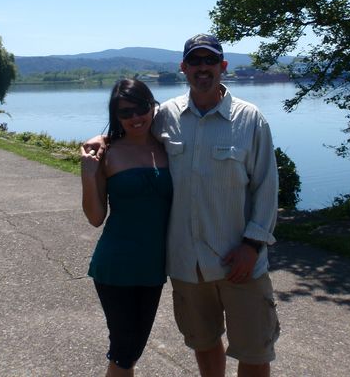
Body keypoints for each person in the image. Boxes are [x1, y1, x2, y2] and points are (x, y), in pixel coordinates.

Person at [85, 34, 280, 377]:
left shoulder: (250, 120)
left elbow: (267, 188)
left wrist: (252, 245)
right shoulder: (167, 116)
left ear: (222, 67)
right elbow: (131, 126)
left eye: (209, 62)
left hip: (239, 261)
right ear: (184, 68)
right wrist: (100, 140)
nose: (202, 69)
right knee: (204, 345)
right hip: (188, 266)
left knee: (253, 351)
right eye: (195, 62)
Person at [80, 79, 173, 377]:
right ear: (115, 117)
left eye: (142, 108)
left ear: (152, 106)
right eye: (125, 112)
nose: (135, 117)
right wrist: (87, 175)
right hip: (116, 266)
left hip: (153, 267)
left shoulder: (169, 147)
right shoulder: (107, 154)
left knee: (131, 351)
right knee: (124, 351)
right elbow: (95, 217)